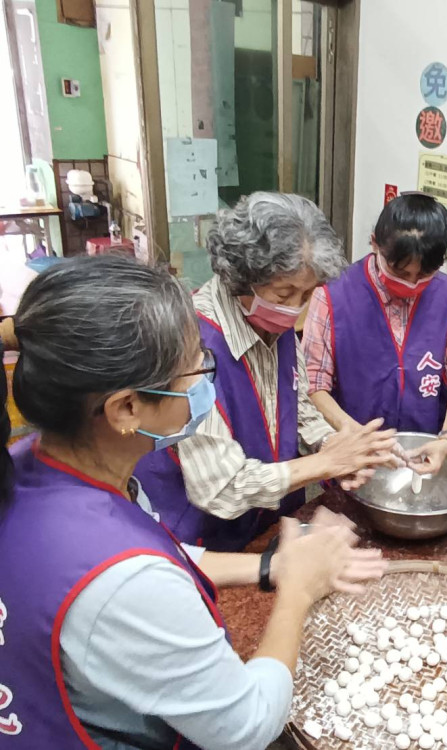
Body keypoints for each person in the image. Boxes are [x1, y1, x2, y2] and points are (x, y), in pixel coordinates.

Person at [0, 255, 387, 749]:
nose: (205, 386)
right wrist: (298, 589)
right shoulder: (124, 582)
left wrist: (270, 565)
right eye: (196, 371)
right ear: (126, 408)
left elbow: (158, 554)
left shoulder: (31, 462)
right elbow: (245, 727)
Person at [134, 192, 399, 552]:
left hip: (268, 523)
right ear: (240, 276)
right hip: (202, 538)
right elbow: (221, 488)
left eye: (307, 295)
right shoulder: (190, 345)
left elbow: (298, 406)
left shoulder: (276, 325)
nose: (294, 310)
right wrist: (325, 463)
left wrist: (333, 444)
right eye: (283, 293)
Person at [303, 192, 447, 475]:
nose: (411, 283)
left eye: (423, 275)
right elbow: (313, 384)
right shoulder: (333, 296)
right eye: (399, 272)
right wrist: (357, 436)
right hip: (353, 456)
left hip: (422, 451)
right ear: (375, 243)